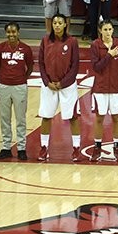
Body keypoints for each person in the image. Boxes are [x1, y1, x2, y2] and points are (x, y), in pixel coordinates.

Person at [37, 14, 81, 162]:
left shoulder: (72, 41)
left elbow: (75, 66)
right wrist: (47, 81)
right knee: (46, 116)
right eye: (54, 22)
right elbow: (41, 63)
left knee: (73, 117)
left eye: (59, 22)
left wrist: (62, 83)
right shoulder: (44, 40)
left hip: (67, 86)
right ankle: (44, 147)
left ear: (65, 24)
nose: (56, 25)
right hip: (48, 85)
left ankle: (76, 148)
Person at [0, 22, 34, 161]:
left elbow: (30, 67)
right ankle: (6, 148)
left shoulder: (26, 49)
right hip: (3, 87)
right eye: (9, 32)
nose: (11, 35)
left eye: (14, 32)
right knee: (5, 119)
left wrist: (21, 79)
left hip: (20, 87)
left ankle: (21, 148)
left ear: (18, 32)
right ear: (6, 33)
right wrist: (4, 79)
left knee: (20, 119)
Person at [89, 20, 118, 162]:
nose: (107, 32)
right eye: (105, 29)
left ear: (113, 30)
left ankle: (117, 147)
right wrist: (109, 55)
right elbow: (97, 67)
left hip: (116, 88)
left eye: (110, 29)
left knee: (116, 118)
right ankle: (97, 147)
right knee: (99, 118)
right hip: (100, 88)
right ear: (100, 31)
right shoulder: (95, 45)